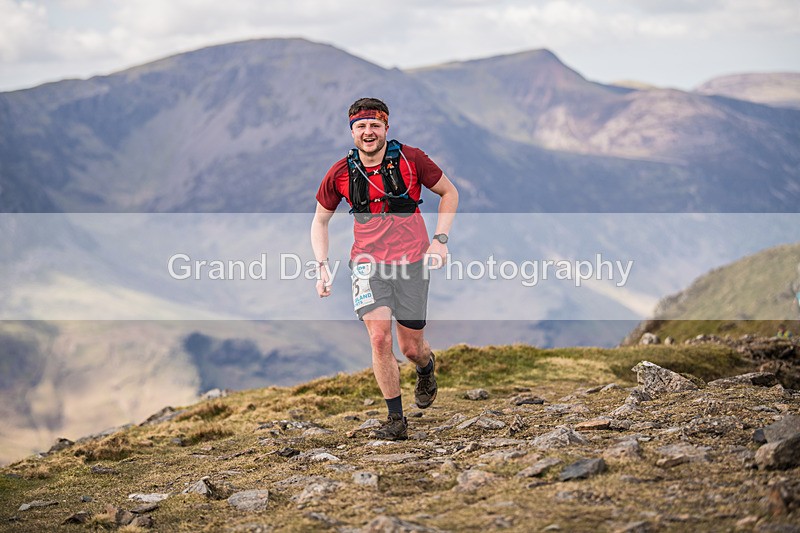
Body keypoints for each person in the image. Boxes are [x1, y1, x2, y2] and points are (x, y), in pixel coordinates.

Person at [310, 97, 458, 440]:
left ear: (386, 128)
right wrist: (321, 266)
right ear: (351, 131)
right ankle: (396, 420)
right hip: (367, 264)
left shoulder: (412, 159)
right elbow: (319, 222)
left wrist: (440, 239)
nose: (368, 132)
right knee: (379, 338)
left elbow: (449, 193)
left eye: (375, 125)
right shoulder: (339, 173)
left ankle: (425, 367)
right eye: (360, 126)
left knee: (411, 349)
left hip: (412, 262)